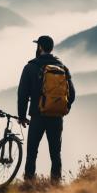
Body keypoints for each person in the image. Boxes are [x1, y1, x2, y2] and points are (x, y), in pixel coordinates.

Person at [17, 35, 75, 183]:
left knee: (32, 152)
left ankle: (29, 183)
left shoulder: (30, 67)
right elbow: (72, 94)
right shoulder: (62, 67)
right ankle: (55, 184)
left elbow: (22, 94)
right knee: (55, 153)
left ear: (40, 47)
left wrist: (22, 116)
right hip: (56, 117)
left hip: (37, 116)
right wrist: (62, 108)